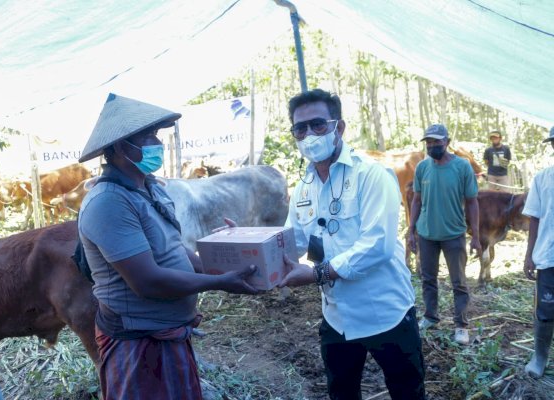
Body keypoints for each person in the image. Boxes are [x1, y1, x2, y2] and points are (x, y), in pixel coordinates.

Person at [77, 93, 258, 400]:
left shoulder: (148, 189)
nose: (156, 144)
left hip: (168, 335)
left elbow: (175, 252)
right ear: (121, 147)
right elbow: (148, 281)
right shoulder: (109, 202)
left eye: (156, 136)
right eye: (148, 137)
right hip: (139, 344)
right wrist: (220, 283)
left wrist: (227, 258)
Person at [279, 89, 425, 400]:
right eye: (300, 128)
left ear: (339, 128)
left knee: (407, 392)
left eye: (318, 124)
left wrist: (317, 274)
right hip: (337, 317)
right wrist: (251, 243)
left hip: (386, 312)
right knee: (342, 392)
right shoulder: (304, 188)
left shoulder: (371, 174)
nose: (308, 135)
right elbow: (294, 241)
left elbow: (378, 245)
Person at [408, 124, 481, 346]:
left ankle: (461, 325)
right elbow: (417, 200)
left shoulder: (462, 167)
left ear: (447, 142)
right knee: (428, 278)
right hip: (427, 234)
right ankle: (431, 316)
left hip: (454, 234)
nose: (432, 146)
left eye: (436, 142)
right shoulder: (422, 168)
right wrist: (411, 230)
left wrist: (475, 236)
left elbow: (472, 202)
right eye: (428, 142)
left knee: (458, 281)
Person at [522, 126, 554, 378]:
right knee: (545, 310)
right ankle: (540, 356)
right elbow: (534, 218)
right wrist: (528, 254)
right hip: (549, 257)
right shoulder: (542, 178)